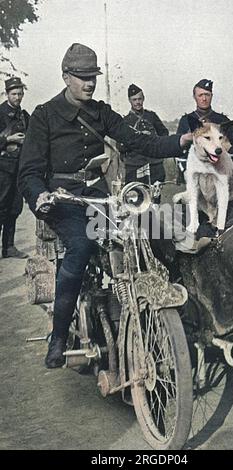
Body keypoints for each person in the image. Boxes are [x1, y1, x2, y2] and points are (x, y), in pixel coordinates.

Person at [18, 43, 192, 369]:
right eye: (82, 77)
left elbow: (141, 141)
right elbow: (28, 171)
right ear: (65, 76)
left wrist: (178, 142)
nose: (89, 83)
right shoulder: (44, 116)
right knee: (81, 245)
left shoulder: (101, 112)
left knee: (156, 228)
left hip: (101, 198)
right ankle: (58, 335)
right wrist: (39, 196)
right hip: (64, 200)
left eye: (93, 77)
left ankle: (175, 314)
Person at [176, 79, 233, 181]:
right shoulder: (186, 120)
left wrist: (225, 160)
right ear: (194, 97)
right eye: (200, 95)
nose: (204, 99)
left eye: (207, 95)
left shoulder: (222, 120)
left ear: (211, 96)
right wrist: (185, 170)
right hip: (193, 174)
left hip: (218, 174)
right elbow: (178, 148)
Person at [0, 77, 29, 258]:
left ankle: (9, 247)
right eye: (14, 94)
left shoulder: (24, 116)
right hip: (2, 169)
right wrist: (8, 139)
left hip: (18, 168)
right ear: (7, 94)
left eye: (20, 94)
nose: (17, 97)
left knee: (14, 207)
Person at [122, 84, 168, 186]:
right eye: (134, 100)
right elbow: (121, 147)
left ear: (143, 99)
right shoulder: (125, 121)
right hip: (135, 166)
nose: (138, 102)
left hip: (155, 165)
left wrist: (153, 139)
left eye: (140, 99)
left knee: (155, 197)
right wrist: (139, 138)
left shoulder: (151, 116)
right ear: (129, 100)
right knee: (136, 197)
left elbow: (164, 134)